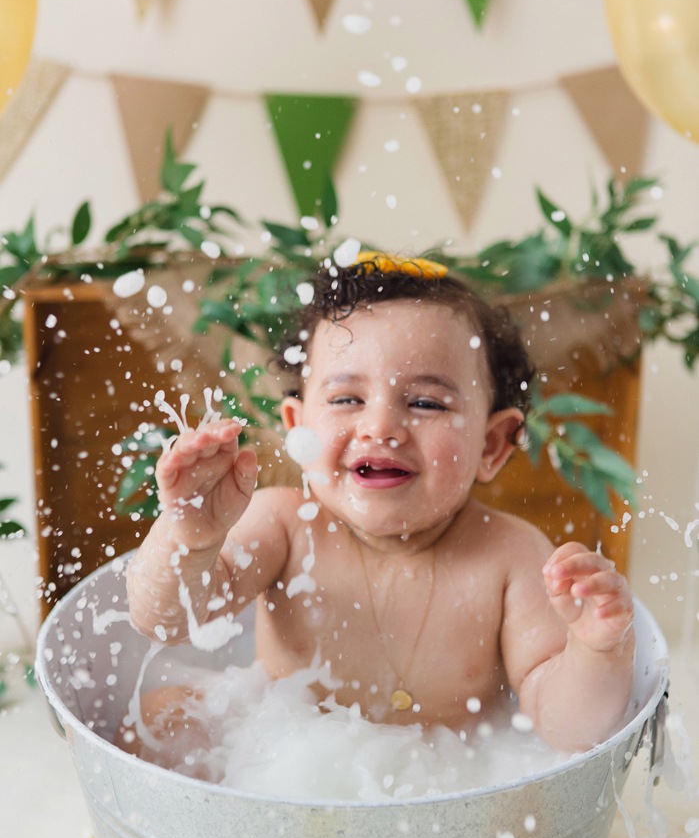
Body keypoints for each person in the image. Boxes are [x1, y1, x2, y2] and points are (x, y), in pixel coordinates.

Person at [123, 252, 635, 762]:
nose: (381, 427)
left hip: (444, 795)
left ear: (491, 445)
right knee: (160, 714)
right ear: (297, 427)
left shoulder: (511, 557)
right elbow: (166, 623)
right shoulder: (284, 523)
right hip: (281, 774)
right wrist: (189, 536)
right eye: (347, 399)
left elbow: (568, 730)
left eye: (426, 403)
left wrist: (596, 651)